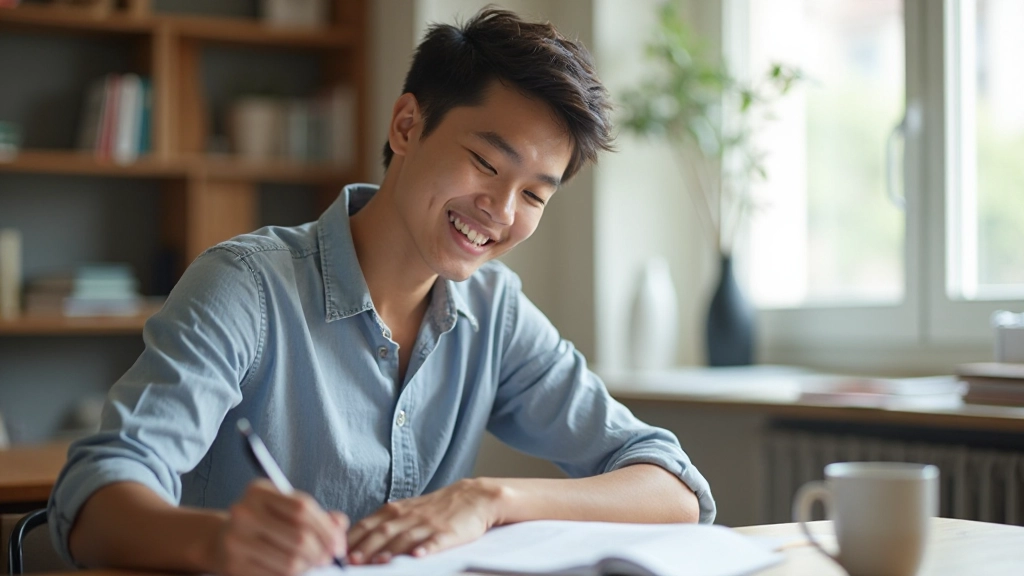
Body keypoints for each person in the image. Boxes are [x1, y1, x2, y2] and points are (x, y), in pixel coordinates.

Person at [48, 8, 715, 576]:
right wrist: (218, 543)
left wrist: (491, 498)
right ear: (405, 126)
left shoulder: (495, 312)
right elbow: (94, 495)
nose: (502, 211)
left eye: (534, 194)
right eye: (486, 163)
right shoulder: (247, 288)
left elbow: (673, 486)